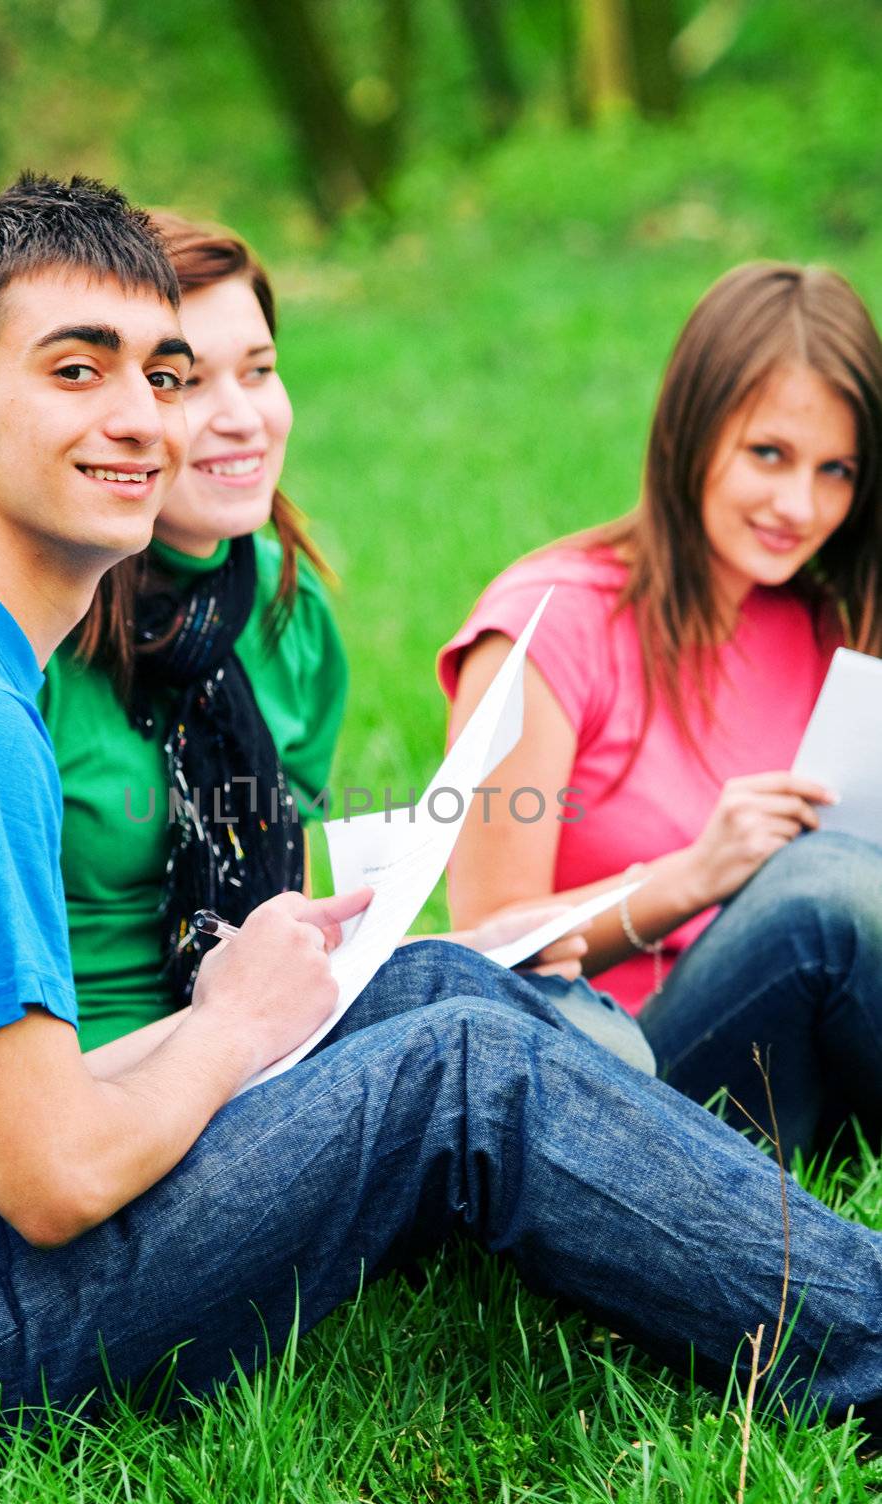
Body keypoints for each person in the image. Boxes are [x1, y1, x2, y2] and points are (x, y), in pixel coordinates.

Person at [0, 185, 882, 1470]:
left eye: (154, 374)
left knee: (414, 977)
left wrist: (269, 998)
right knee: (460, 1073)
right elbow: (52, 1178)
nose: (137, 417)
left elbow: (7, 1113)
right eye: (73, 368)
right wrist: (230, 1027)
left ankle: (747, 1249)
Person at [40, 211, 646, 1068]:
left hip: (273, 1038)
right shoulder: (41, 632)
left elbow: (292, 918)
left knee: (585, 1030)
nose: (242, 417)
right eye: (186, 380)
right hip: (110, 1082)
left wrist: (466, 948)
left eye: (259, 371)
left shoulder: (290, 611)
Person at [441, 263, 882, 1158]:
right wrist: (691, 875)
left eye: (834, 471)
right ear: (691, 431)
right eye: (768, 454)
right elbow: (475, 954)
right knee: (819, 890)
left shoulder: (835, 630)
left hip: (812, 1062)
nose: (800, 506)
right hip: (629, 1076)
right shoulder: (545, 627)